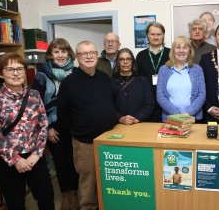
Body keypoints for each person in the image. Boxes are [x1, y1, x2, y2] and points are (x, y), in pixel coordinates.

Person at [0, 53, 54, 210]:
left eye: (19, 69)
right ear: (1, 73)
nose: (15, 73)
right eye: (10, 69)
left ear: (25, 72)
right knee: (16, 203)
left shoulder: (34, 95)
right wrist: (16, 160)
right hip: (8, 161)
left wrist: (36, 154)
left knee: (47, 197)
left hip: (34, 157)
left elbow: (43, 125)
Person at [57, 40, 117, 210]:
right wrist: (79, 130)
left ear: (97, 55)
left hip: (109, 141)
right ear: (77, 57)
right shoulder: (69, 83)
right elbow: (63, 115)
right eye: (84, 53)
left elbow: (111, 103)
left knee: (109, 183)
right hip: (85, 143)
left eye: (92, 52)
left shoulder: (104, 78)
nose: (89, 56)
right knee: (88, 187)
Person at [32, 38, 79, 210]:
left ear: (69, 53)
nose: (60, 55)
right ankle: (66, 196)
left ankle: (75, 196)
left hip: (74, 126)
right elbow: (35, 105)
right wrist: (48, 128)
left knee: (74, 163)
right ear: (51, 55)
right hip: (53, 128)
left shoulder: (75, 72)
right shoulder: (42, 75)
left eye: (64, 51)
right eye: (56, 51)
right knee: (60, 163)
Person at [157, 36, 206, 122]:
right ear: (173, 51)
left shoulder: (197, 69)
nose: (181, 50)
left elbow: (202, 95)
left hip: (193, 119)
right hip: (170, 119)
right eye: (178, 47)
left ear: (189, 51)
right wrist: (176, 114)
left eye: (185, 47)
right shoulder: (163, 70)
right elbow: (160, 96)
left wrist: (188, 114)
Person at [136, 21, 170, 122]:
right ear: (147, 35)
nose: (155, 37)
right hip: (147, 104)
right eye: (152, 34)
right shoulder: (140, 56)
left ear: (163, 35)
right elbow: (137, 81)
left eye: (159, 34)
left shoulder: (171, 54)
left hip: (167, 102)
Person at [111, 48, 155, 125]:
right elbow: (108, 105)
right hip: (118, 125)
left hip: (139, 124)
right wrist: (120, 118)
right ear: (118, 62)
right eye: (122, 59)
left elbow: (150, 104)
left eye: (128, 59)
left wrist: (137, 118)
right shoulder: (112, 81)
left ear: (132, 61)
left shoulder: (142, 80)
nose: (125, 62)